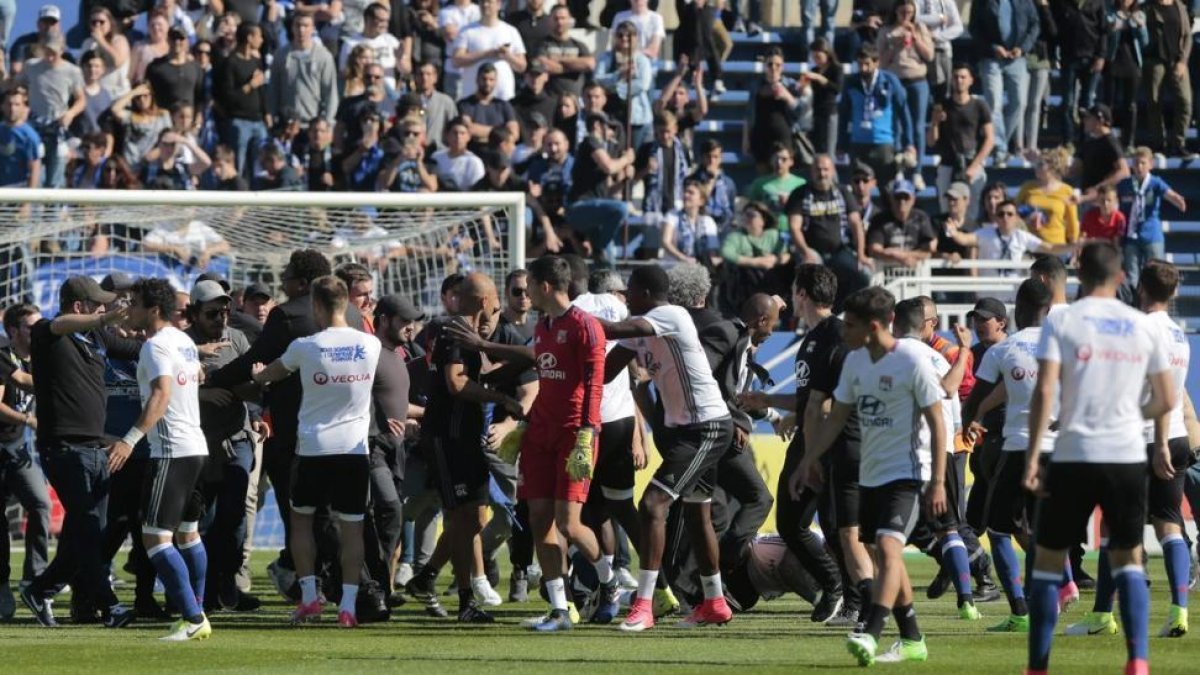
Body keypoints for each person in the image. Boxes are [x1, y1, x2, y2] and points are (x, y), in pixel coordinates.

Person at [1023, 241, 1175, 674]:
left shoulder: (1062, 320)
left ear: (1077, 273)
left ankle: (1037, 666)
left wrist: (1034, 455)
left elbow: (1045, 390)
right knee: (1127, 557)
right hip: (1126, 456)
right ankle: (1138, 661)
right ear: (1122, 277)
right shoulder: (1143, 326)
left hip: (1073, 453)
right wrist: (1127, 414)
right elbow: (1165, 398)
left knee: (1049, 561)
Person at [799, 286, 948, 665]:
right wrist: (809, 459)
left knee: (887, 548)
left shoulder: (912, 361)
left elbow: (937, 420)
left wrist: (939, 481)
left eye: (850, 325)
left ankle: (871, 631)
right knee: (885, 560)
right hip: (871, 475)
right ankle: (912, 639)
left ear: (876, 325)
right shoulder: (854, 363)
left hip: (910, 473)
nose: (843, 330)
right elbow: (837, 419)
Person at [209, 250, 363, 599]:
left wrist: (213, 380)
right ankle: (351, 588)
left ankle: (318, 586)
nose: (283, 283)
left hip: (298, 434)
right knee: (347, 518)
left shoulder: (289, 317)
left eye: (289, 277)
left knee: (304, 517)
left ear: (305, 283)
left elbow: (256, 361)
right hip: (352, 437)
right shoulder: (355, 317)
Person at [599, 265, 735, 631]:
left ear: (644, 292)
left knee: (652, 504)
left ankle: (644, 605)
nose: (626, 296)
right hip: (683, 431)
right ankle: (715, 602)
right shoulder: (638, 330)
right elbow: (607, 370)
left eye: (630, 290)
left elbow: (618, 329)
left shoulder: (670, 315)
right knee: (696, 514)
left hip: (705, 427)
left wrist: (575, 321)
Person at [740, 264, 870, 626]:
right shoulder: (814, 337)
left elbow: (826, 402)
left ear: (802, 295)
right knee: (791, 522)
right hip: (808, 440)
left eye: (794, 290)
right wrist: (774, 406)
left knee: (836, 526)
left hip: (831, 445)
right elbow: (812, 398)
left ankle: (857, 602)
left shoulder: (836, 336)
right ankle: (835, 585)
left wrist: (811, 454)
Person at [252, 275, 381, 628]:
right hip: (353, 451)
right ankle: (349, 606)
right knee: (352, 529)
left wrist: (260, 375)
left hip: (312, 450)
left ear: (317, 306)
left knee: (302, 522)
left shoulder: (305, 346)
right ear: (349, 305)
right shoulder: (370, 345)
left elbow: (270, 375)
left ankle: (310, 597)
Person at [18, 278, 140, 627]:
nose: (104, 308)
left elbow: (136, 350)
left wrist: (184, 346)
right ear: (78, 306)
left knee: (85, 533)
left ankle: (41, 589)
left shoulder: (98, 337)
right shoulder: (47, 332)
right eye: (98, 304)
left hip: (96, 447)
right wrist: (104, 320)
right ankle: (110, 605)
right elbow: (59, 324)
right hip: (63, 446)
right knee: (87, 528)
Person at [407, 273, 521, 623]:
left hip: (467, 437)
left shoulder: (467, 334)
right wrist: (500, 396)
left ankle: (428, 579)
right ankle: (464, 600)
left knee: (472, 516)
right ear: (485, 302)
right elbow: (456, 383)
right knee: (460, 516)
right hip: (448, 437)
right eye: (494, 306)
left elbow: (479, 371)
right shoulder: (455, 331)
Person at [106, 278, 212, 640]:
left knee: (155, 538)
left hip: (171, 451)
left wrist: (129, 440)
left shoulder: (154, 346)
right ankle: (197, 608)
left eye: (134, 303)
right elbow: (196, 375)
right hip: (197, 447)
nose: (129, 310)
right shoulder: (184, 341)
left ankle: (193, 618)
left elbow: (161, 395)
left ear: (153, 309)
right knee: (188, 533)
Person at [965, 278, 1054, 633]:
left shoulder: (1004, 350)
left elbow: (978, 394)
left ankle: (1020, 609)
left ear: (1015, 311)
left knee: (1000, 530)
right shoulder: (1064, 347)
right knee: (1040, 532)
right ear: (1047, 310)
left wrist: (970, 418)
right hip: (1058, 449)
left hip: (1017, 447)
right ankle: (1043, 602)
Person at [894, 298, 981, 622]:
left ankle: (883, 610)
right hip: (944, 450)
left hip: (909, 452)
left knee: (888, 534)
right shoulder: (940, 358)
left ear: (895, 323)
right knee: (949, 528)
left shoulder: (894, 357)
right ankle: (967, 599)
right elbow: (954, 405)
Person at [0, 304, 47, 620]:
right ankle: (2, 585)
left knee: (41, 504)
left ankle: (35, 580)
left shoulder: (44, 357)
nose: (39, 331)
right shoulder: (3, 355)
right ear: (14, 331)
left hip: (16, 448)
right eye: (32, 326)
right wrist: (28, 419)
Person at [786, 154, 872, 311]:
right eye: (818, 169)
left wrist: (861, 254)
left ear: (832, 171)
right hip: (811, 251)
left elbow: (856, 224)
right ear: (812, 171)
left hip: (838, 250)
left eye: (826, 169)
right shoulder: (800, 194)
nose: (822, 173)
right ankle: (805, 319)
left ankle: (847, 313)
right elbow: (794, 227)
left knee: (862, 275)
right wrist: (805, 251)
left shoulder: (843, 192)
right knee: (810, 279)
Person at [970, 0, 1038, 164]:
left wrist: (1023, 48)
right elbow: (974, 28)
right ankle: (1000, 149)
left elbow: (1035, 25)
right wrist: (993, 47)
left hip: (1017, 58)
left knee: (1019, 103)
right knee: (994, 103)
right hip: (991, 57)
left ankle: (996, 141)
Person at [877, 0, 934, 190]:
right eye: (903, 12)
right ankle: (899, 169)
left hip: (917, 81)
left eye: (910, 12)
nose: (906, 16)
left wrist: (915, 38)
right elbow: (880, 63)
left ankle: (917, 171)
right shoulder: (887, 31)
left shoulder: (921, 28)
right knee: (898, 126)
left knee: (918, 126)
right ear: (896, 12)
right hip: (895, 81)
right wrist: (894, 45)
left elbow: (929, 56)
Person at [839, 45, 914, 187]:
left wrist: (908, 143)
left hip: (883, 144)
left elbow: (904, 112)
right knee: (858, 188)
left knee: (887, 189)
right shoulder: (851, 82)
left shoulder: (890, 81)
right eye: (860, 64)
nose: (863, 68)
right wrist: (841, 143)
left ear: (876, 62)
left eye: (867, 64)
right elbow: (843, 115)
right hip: (858, 144)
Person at [18, 33, 84, 189]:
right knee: (35, 174)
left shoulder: (72, 71)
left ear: (62, 50)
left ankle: (53, 212)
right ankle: (33, 210)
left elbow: (81, 100)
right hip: (35, 125)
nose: (50, 57)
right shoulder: (31, 66)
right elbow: (18, 86)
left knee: (55, 176)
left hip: (58, 125)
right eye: (47, 52)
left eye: (54, 52)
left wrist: (70, 114)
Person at [929, 63, 993, 215]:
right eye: (956, 77)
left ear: (971, 80)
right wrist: (935, 122)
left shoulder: (980, 106)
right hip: (947, 164)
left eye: (963, 77)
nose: (959, 80)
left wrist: (974, 166)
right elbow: (931, 141)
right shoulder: (942, 106)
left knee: (972, 213)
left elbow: (990, 139)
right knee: (946, 211)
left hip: (972, 163)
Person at [1118, 146, 1187, 286]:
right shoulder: (1125, 184)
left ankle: (1156, 302)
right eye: (1136, 163)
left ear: (1151, 164)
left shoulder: (1155, 182)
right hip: (1131, 235)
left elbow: (1169, 193)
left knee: (1157, 274)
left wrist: (1178, 200)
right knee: (1132, 275)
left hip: (1151, 234)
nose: (1139, 166)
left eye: (1143, 163)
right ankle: (1134, 304)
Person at [213, 22, 270, 177]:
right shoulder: (230, 63)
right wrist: (250, 85)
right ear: (250, 38)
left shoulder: (255, 61)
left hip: (258, 121)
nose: (261, 40)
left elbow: (261, 90)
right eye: (259, 36)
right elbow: (227, 96)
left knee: (261, 166)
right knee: (239, 165)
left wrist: (266, 112)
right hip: (239, 122)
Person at [743, 47, 808, 171]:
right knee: (764, 177)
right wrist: (746, 139)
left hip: (784, 138)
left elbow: (800, 113)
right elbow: (749, 114)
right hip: (761, 137)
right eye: (770, 64)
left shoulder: (791, 85)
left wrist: (787, 96)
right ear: (764, 66)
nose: (773, 68)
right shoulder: (756, 86)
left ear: (782, 67)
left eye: (777, 65)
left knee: (784, 176)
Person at [1052, 0, 1107, 145]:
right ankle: (1068, 139)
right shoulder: (1060, 3)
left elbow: (1103, 31)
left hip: (1091, 57)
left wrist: (1101, 56)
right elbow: (1054, 28)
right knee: (1067, 103)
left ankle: (1086, 138)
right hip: (1069, 57)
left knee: (1087, 102)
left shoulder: (1097, 3)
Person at [270, 15, 338, 131]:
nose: (301, 30)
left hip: (313, 125)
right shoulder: (281, 55)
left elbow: (330, 92)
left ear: (313, 28)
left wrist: (327, 121)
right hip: (286, 124)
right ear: (292, 28)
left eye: (306, 26)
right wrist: (272, 115)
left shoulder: (323, 56)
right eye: (298, 25)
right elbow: (273, 90)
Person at [1144, 0, 1194, 158]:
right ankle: (1159, 144)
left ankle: (1179, 144)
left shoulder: (1179, 7)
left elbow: (1187, 36)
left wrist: (1183, 61)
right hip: (1155, 60)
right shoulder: (1147, 8)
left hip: (1178, 60)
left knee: (1185, 101)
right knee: (1154, 101)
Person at [453, 0, 528, 103]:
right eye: (482, 2)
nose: (485, 5)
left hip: (503, 96)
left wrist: (508, 56)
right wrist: (486, 54)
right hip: (473, 96)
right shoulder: (467, 31)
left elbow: (522, 66)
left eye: (489, 2)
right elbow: (457, 60)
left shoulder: (510, 31)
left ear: (499, 4)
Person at [1104, 0, 1149, 150]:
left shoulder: (1140, 14)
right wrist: (1114, 28)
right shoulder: (1110, 12)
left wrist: (1140, 27)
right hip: (1114, 60)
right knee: (1109, 103)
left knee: (1130, 105)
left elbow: (1145, 41)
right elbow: (1106, 32)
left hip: (1132, 63)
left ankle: (1128, 142)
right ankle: (1107, 140)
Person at [1017, 147, 1080, 247]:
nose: (1036, 167)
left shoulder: (1067, 190)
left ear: (1052, 167)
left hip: (1056, 246)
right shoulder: (1027, 187)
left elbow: (1072, 222)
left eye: (1041, 164)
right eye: (1036, 164)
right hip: (1030, 245)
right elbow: (1015, 212)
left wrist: (1074, 246)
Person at [867, 179, 936, 268]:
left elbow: (928, 251)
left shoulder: (921, 218)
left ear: (913, 200)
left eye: (906, 197)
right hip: (885, 273)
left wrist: (900, 255)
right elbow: (874, 250)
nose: (902, 202)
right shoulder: (879, 219)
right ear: (891, 199)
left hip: (916, 272)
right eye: (898, 197)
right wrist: (897, 257)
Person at [338, 3, 403, 91]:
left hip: (387, 96)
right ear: (368, 19)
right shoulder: (350, 44)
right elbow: (343, 73)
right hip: (361, 94)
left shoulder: (391, 41)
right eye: (381, 20)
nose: (385, 25)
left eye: (387, 21)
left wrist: (399, 59)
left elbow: (405, 70)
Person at [744, 143, 806, 233]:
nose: (779, 163)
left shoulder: (801, 183)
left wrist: (791, 202)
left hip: (793, 232)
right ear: (770, 160)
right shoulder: (760, 183)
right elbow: (749, 208)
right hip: (767, 232)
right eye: (776, 158)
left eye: (784, 159)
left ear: (791, 161)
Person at [535, 5, 595, 98]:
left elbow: (589, 64)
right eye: (556, 19)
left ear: (569, 20)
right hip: (550, 99)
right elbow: (543, 65)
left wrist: (558, 60)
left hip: (575, 102)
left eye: (563, 18)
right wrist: (575, 66)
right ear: (549, 21)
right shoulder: (543, 44)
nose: (560, 22)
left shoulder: (578, 45)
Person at [458, 63, 520, 150]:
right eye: (484, 79)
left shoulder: (504, 105)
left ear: (496, 81)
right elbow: (469, 129)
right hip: (474, 152)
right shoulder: (465, 104)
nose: (487, 83)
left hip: (499, 155)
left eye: (491, 79)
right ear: (477, 79)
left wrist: (481, 133)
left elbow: (514, 133)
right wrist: (501, 132)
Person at [145, 27, 204, 112]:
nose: (177, 42)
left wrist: (198, 116)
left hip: (188, 121)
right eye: (173, 38)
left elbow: (200, 98)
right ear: (168, 40)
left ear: (187, 42)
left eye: (181, 39)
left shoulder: (195, 68)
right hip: (164, 120)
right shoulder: (155, 67)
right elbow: (149, 94)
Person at [81, 6, 131, 99]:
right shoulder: (87, 43)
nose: (98, 25)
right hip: (96, 95)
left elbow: (117, 61)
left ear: (110, 23)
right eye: (94, 22)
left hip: (117, 95)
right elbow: (82, 68)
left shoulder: (119, 40)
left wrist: (101, 40)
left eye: (101, 22)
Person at [0, 88, 43, 192]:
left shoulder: (30, 136)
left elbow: (35, 169)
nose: (12, 108)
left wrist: (26, 203)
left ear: (23, 107)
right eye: (9, 104)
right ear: (2, 106)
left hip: (19, 191)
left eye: (17, 105)